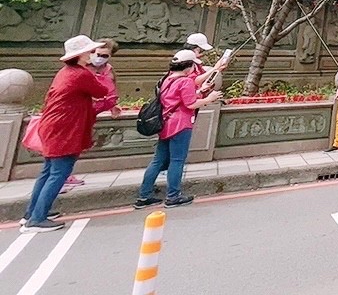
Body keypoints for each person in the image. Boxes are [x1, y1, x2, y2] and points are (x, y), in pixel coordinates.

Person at [20, 35, 110, 232]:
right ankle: (37, 219)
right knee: (59, 173)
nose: (92, 55)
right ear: (79, 55)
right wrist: (100, 73)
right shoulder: (81, 74)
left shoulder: (66, 72)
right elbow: (102, 91)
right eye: (89, 51)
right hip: (65, 130)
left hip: (53, 126)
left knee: (47, 172)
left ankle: (33, 212)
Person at [134, 50, 223, 209]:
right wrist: (209, 98)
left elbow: (178, 99)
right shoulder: (185, 81)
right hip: (180, 124)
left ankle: (144, 196)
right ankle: (173, 196)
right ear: (189, 66)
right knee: (177, 161)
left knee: (157, 161)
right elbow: (190, 104)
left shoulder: (167, 79)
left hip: (165, 124)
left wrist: (201, 91)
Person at [63, 38, 122, 190]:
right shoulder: (81, 70)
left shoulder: (109, 70)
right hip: (78, 113)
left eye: (104, 55)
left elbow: (111, 89)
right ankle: (63, 176)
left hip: (92, 113)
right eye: (97, 53)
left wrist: (113, 105)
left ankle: (63, 174)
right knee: (70, 144)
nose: (99, 58)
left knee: (78, 145)